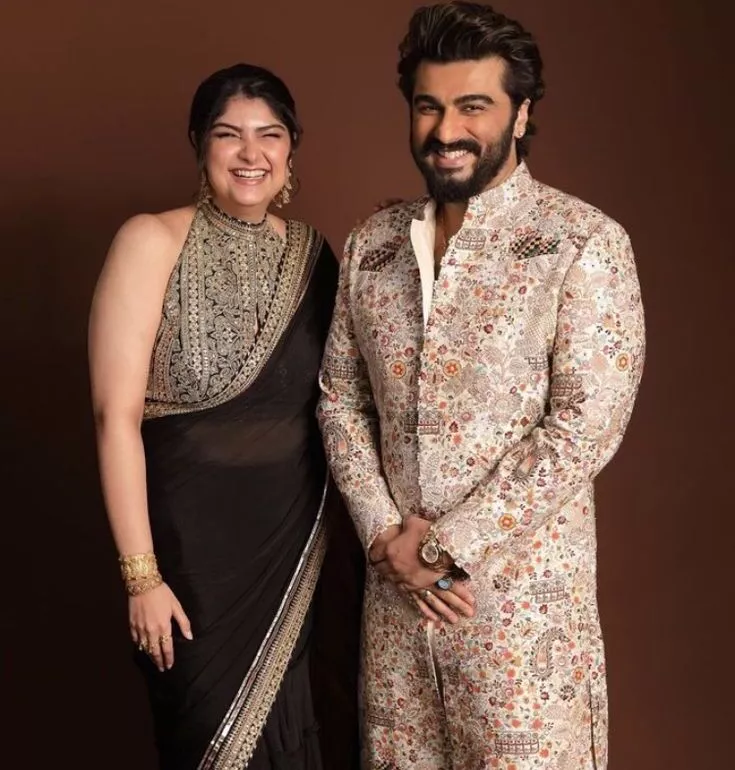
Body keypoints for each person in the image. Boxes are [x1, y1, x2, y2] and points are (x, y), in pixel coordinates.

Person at [317, 2, 646, 768]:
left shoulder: (580, 242)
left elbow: (584, 426)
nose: (445, 130)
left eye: (472, 106)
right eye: (427, 106)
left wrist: (444, 546)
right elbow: (339, 401)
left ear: (520, 114)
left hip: (520, 622)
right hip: (396, 618)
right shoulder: (372, 247)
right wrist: (385, 538)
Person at [88, 63, 338, 770]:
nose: (250, 153)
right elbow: (113, 417)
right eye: (229, 134)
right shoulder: (150, 241)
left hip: (290, 553)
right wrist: (142, 577)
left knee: (290, 733)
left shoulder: (315, 257)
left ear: (291, 147)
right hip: (187, 562)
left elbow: (346, 406)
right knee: (204, 739)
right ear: (200, 145)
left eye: (269, 134)